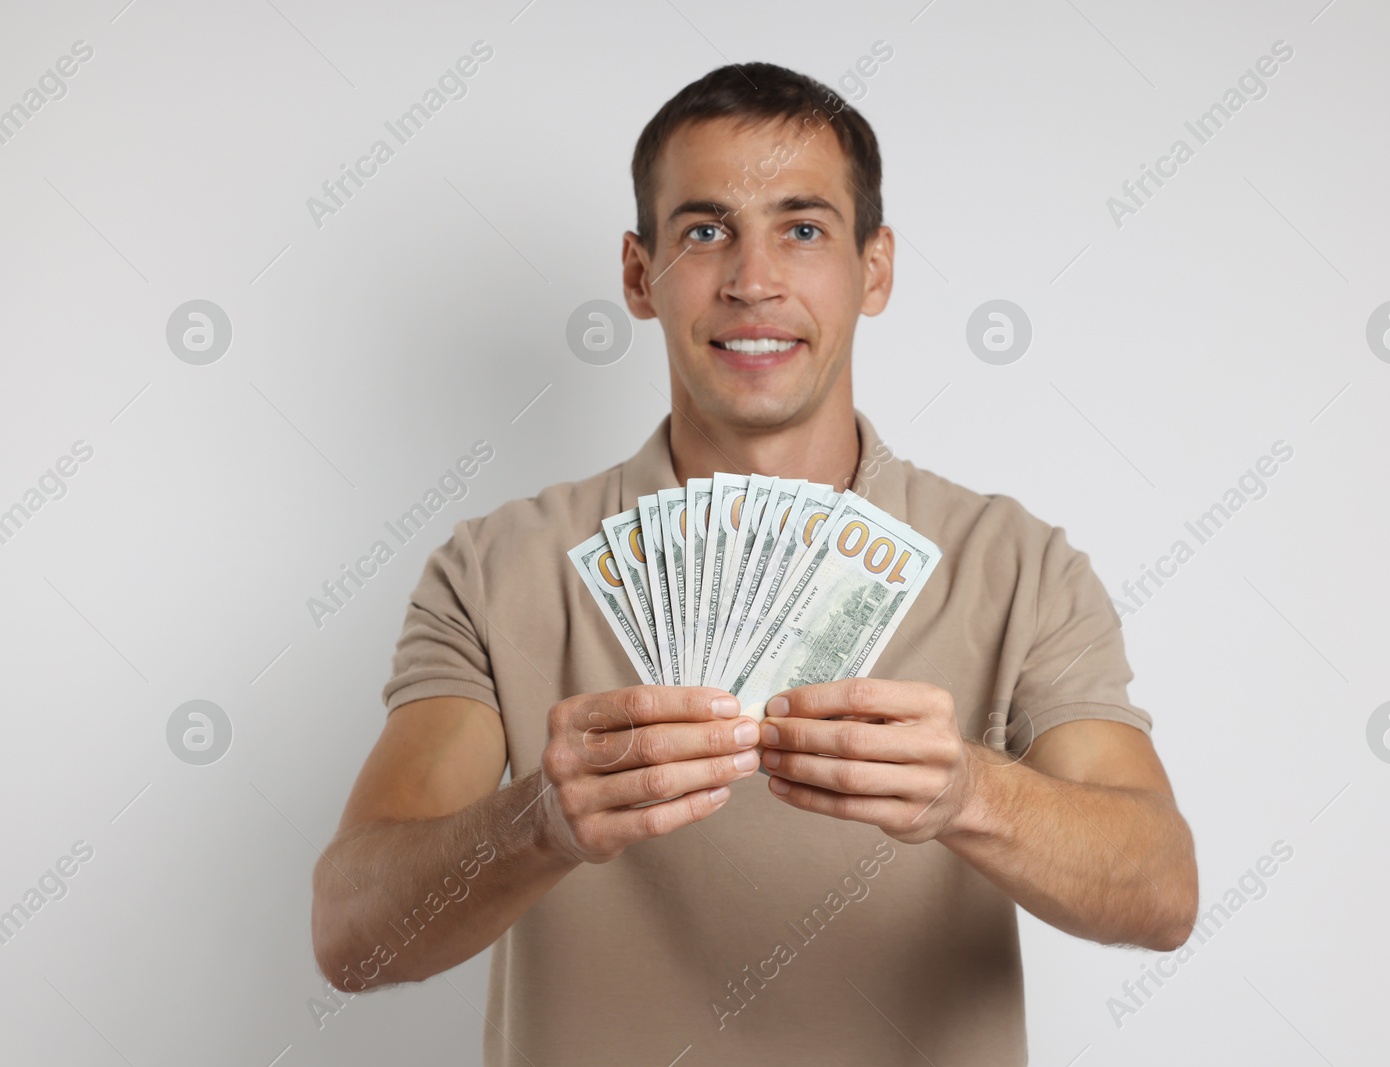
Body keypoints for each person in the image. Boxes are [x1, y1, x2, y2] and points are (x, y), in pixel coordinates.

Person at [311, 61, 1197, 1066]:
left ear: (877, 268)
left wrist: (968, 793)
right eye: (703, 230)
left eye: (803, 228)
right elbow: (351, 933)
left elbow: (1162, 891)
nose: (752, 278)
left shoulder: (1017, 563)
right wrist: (541, 819)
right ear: (639, 276)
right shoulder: (496, 566)